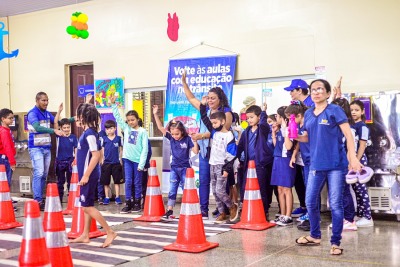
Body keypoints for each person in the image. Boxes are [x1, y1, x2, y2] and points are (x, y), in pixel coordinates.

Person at [295, 79, 362, 256]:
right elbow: (308, 137)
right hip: (315, 164)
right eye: (313, 90)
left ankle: (335, 242)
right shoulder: (308, 113)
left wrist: (353, 157)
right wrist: (295, 136)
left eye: (320, 89)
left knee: (335, 204)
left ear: (326, 93)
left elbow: (348, 135)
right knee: (310, 201)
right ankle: (315, 236)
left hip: (335, 165)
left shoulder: (335, 110)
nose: (316, 92)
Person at [181, 70, 233, 219]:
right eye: (208, 98)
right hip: (205, 151)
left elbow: (223, 132)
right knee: (204, 181)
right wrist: (184, 83)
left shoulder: (226, 112)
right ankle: (203, 209)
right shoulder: (205, 110)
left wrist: (202, 135)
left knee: (221, 183)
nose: (210, 101)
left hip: (219, 153)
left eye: (213, 98)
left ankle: (225, 209)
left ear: (220, 99)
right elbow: (191, 98)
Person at [70, 103, 117, 248]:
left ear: (83, 118)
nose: (76, 119)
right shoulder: (88, 132)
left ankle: (110, 231)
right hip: (87, 173)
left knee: (88, 207)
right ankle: (85, 234)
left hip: (88, 175)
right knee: (86, 205)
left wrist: (85, 176)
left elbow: (96, 155)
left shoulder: (89, 133)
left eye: (78, 116)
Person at [153, 105, 197, 220]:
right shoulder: (171, 138)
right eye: (172, 134)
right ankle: (169, 211)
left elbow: (195, 151)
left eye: (177, 134)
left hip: (185, 169)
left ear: (182, 131)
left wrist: (195, 140)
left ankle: (189, 210)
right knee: (172, 189)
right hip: (174, 168)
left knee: (186, 188)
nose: (174, 136)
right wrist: (155, 114)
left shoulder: (187, 139)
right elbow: (160, 127)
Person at [199, 97, 238, 224]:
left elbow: (231, 155)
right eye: (212, 123)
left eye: (215, 123)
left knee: (220, 190)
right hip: (212, 164)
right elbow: (204, 118)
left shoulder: (229, 135)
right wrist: (202, 106)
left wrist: (227, 169)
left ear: (222, 122)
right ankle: (222, 212)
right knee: (215, 191)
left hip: (222, 166)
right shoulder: (214, 132)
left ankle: (232, 206)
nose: (212, 125)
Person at [110, 94, 148, 213]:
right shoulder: (126, 129)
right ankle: (128, 202)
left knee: (137, 182)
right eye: (129, 120)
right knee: (128, 182)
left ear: (137, 119)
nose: (131, 122)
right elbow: (118, 118)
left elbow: (145, 149)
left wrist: (141, 164)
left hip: (137, 161)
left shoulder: (142, 132)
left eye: (133, 120)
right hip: (127, 159)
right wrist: (113, 105)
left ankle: (137, 202)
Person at [27, 92, 65, 210]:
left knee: (44, 174)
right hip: (36, 148)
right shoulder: (32, 113)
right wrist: (54, 131)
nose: (46, 103)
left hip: (46, 148)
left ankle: (41, 199)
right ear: (37, 100)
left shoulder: (47, 114)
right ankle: (37, 200)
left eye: (47, 100)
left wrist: (73, 118)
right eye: (43, 100)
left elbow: (58, 123)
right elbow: (37, 127)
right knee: (39, 172)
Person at [236, 104, 274, 220]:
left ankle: (264, 210)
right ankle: (247, 209)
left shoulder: (263, 129)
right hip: (248, 164)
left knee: (262, 187)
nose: (249, 120)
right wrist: (238, 158)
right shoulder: (247, 131)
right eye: (247, 118)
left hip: (260, 164)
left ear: (258, 117)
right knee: (246, 187)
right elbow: (241, 146)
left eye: (252, 117)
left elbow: (263, 124)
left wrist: (263, 111)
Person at [284, 80, 310, 217]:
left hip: (311, 156)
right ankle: (305, 207)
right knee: (302, 182)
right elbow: (300, 136)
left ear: (300, 90)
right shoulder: (297, 107)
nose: (290, 94)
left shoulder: (311, 106)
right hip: (302, 154)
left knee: (311, 185)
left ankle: (311, 213)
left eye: (292, 90)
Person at [331, 98, 357, 231]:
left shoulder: (349, 128)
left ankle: (350, 219)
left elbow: (350, 146)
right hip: (336, 163)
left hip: (344, 164)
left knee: (345, 192)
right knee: (339, 193)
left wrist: (350, 163)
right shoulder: (336, 126)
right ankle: (342, 218)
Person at [270, 106, 296, 226]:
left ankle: (288, 216)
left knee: (286, 189)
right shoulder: (279, 130)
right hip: (277, 159)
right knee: (279, 188)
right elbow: (277, 146)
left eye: (278, 116)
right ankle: (282, 214)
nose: (276, 118)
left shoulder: (289, 130)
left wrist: (286, 130)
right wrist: (274, 134)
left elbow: (289, 146)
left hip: (286, 160)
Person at [349, 100, 374, 227]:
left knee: (361, 188)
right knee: (356, 189)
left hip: (359, 161)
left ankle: (367, 217)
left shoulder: (362, 127)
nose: (353, 112)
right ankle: (359, 214)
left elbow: (362, 145)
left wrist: (356, 161)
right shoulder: (350, 125)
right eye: (352, 110)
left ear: (362, 111)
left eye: (356, 110)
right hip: (353, 160)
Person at [54, 103, 78, 203]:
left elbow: (76, 149)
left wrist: (75, 159)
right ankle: (59, 200)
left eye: (68, 127)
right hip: (60, 162)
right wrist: (59, 111)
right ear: (61, 128)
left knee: (70, 182)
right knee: (60, 182)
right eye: (64, 128)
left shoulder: (73, 137)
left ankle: (71, 201)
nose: (67, 129)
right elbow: (55, 123)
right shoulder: (59, 136)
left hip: (70, 162)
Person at [100, 120, 124, 205]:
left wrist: (120, 160)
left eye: (111, 128)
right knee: (106, 182)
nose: (109, 130)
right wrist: (101, 160)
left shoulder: (119, 139)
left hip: (116, 163)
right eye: (107, 129)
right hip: (106, 163)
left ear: (115, 128)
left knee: (117, 181)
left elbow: (121, 150)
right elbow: (101, 150)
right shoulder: (104, 139)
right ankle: (107, 197)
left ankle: (117, 197)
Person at [135, 118, 152, 210]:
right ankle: (134, 201)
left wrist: (144, 164)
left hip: (142, 165)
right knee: (134, 183)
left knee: (143, 184)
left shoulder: (143, 136)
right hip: (133, 165)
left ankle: (145, 202)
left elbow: (148, 152)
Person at [0, 109, 16, 197]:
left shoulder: (7, 130)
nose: (12, 120)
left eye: (13, 118)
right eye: (10, 118)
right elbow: (7, 148)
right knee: (6, 182)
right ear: (3, 119)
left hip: (5, 159)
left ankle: (6, 200)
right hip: (5, 160)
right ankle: (4, 202)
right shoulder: (4, 132)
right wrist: (12, 162)